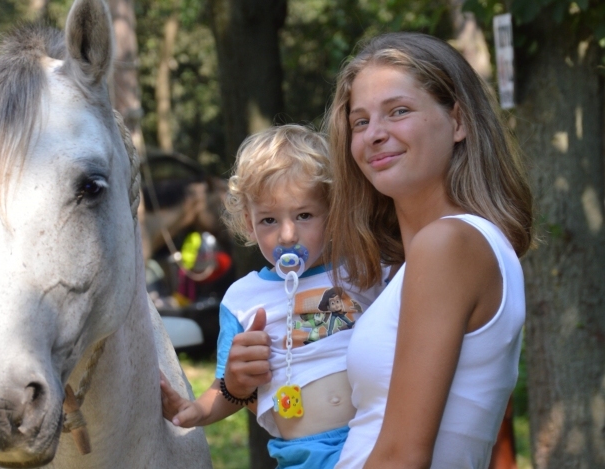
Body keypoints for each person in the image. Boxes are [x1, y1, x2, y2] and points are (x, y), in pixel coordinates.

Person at [222, 32, 533, 469]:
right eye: (361, 121)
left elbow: (402, 456)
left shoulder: (449, 243)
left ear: (458, 121)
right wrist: (246, 386)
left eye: (399, 111)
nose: (375, 134)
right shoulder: (423, 259)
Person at [159, 124, 388, 469]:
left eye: (305, 215)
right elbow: (229, 389)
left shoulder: (363, 270)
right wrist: (196, 412)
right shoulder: (242, 298)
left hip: (376, 439)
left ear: (334, 212)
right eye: (268, 219)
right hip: (302, 457)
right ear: (249, 225)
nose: (287, 233)